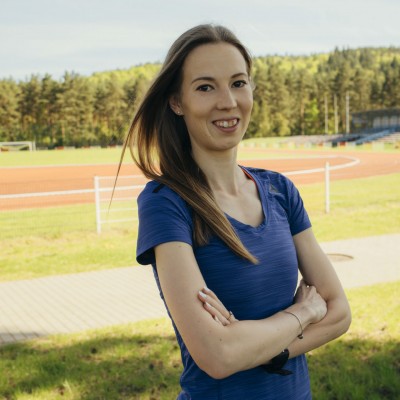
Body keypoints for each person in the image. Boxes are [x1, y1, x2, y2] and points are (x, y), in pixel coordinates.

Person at [121, 24, 351, 399]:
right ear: (177, 102)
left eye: (238, 83)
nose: (228, 101)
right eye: (205, 87)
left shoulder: (280, 191)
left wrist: (256, 346)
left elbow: (339, 312)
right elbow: (218, 355)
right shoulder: (166, 203)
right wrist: (302, 315)